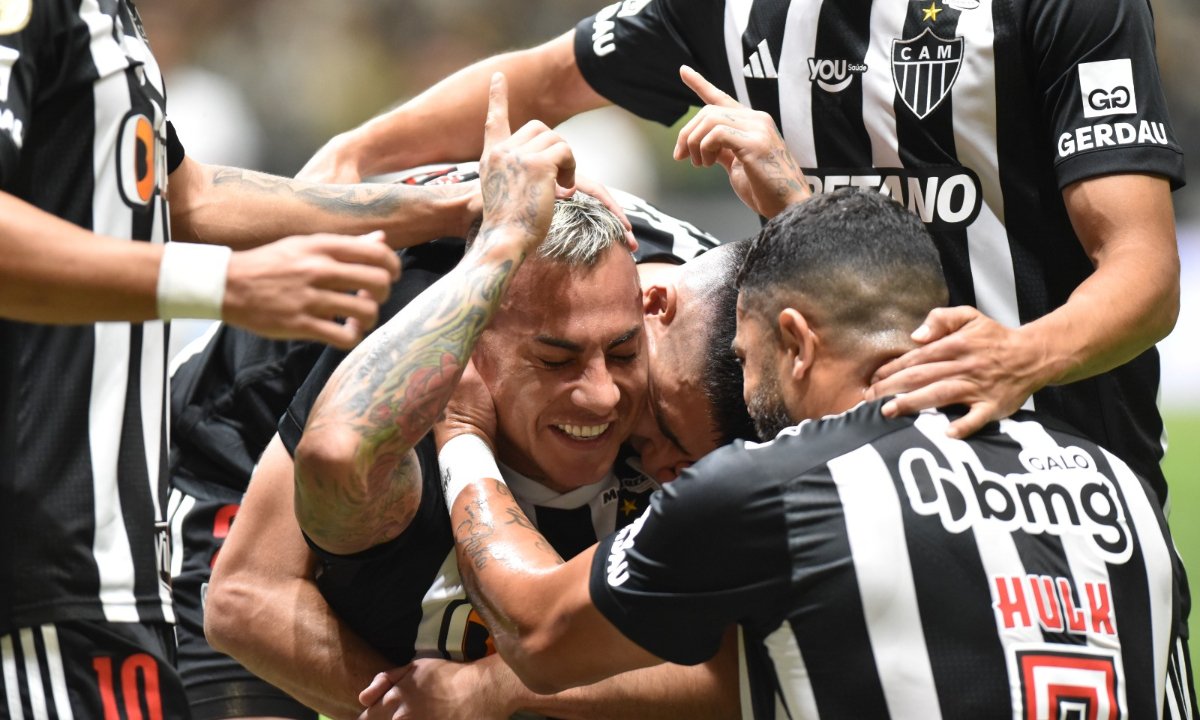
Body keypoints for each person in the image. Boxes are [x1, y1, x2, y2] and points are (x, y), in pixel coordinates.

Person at [301, 0, 1185, 505]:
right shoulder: (724, 9)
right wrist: (351, 156)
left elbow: (1144, 273)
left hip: (1066, 475)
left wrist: (1020, 356)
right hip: (853, 490)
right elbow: (544, 77)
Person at [436, 187, 1198, 720]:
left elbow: (536, 628)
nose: (746, 400)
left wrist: (462, 430)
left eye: (745, 356)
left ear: (796, 342)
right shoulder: (1116, 484)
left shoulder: (778, 488)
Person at [205, 78, 755, 719]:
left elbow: (751, 668)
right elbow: (245, 594)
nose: (603, 395)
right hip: (234, 442)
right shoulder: (421, 323)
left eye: (624, 353)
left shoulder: (739, 331)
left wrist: (489, 692)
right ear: (474, 346)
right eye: (557, 360)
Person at [0, 2, 486, 718]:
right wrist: (223, 284)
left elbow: (188, 195)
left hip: (108, 557)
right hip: (36, 559)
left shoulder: (108, 16)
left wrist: (440, 205)